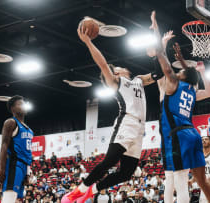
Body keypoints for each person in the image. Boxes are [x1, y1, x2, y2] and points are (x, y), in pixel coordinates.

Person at [62, 21, 148, 203]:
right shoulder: (117, 82)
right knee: (109, 161)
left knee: (126, 173)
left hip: (140, 129)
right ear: (115, 74)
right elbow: (102, 64)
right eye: (114, 69)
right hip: (127, 123)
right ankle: (78, 190)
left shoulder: (139, 80)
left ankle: (91, 190)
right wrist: (88, 41)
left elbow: (159, 74)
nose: (118, 68)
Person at [150, 11, 210, 203]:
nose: (178, 72)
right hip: (193, 134)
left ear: (182, 75)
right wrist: (199, 70)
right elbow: (209, 90)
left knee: (179, 181)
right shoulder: (191, 89)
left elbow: (161, 59)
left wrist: (156, 29)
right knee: (201, 182)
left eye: (180, 71)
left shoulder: (170, 85)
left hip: (177, 136)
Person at [0, 95, 34, 203]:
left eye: (24, 104)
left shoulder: (29, 130)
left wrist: (27, 173)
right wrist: (2, 170)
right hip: (14, 164)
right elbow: (4, 146)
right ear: (13, 108)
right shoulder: (11, 122)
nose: (23, 106)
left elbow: (27, 154)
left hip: (24, 165)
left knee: (17, 199)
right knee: (9, 197)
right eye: (20, 104)